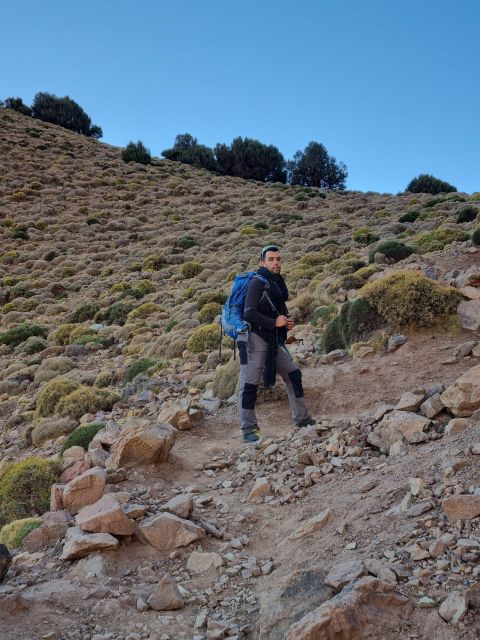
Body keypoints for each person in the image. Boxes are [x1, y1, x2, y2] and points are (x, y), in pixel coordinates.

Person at [237, 245, 315, 443]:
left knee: (293, 373)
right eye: (271, 259)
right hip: (254, 338)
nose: (276, 262)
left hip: (271, 339)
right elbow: (249, 313)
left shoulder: (277, 282)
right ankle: (249, 430)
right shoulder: (257, 282)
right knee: (249, 384)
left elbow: (277, 308)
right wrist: (274, 323)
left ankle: (303, 419)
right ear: (262, 262)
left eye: (278, 259)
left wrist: (285, 322)